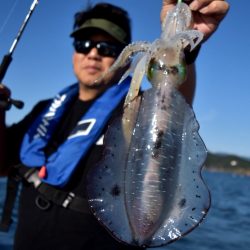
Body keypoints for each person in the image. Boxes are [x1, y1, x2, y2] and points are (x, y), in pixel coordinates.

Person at [0, 1, 229, 249]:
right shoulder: (45, 110)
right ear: (74, 52)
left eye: (107, 47)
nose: (93, 53)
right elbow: (2, 164)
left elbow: (170, 112)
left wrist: (184, 50)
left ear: (126, 57)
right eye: (84, 44)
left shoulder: (137, 108)